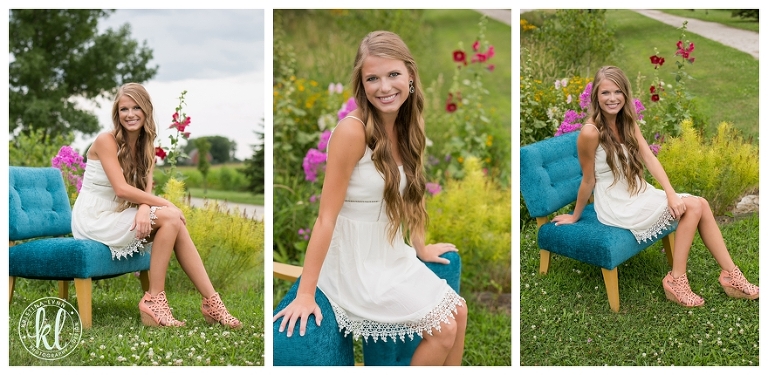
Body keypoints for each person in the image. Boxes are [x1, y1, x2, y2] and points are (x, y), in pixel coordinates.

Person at [273, 31, 468, 365]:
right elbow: (325, 218)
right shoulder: (352, 132)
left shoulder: (409, 123)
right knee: (444, 330)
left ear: (410, 75)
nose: (384, 87)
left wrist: (420, 247)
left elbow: (409, 196)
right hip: (355, 263)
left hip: (390, 253)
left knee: (459, 312)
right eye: (372, 78)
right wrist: (306, 293)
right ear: (361, 85)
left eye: (393, 74)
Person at [552, 65, 759, 307]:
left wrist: (671, 194)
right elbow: (588, 180)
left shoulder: (626, 121)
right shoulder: (590, 132)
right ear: (596, 96)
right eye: (605, 93)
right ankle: (678, 279)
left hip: (638, 192)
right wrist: (576, 215)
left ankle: (729, 274)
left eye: (618, 92)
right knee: (694, 206)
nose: (612, 98)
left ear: (625, 95)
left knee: (698, 204)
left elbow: (649, 157)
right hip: (616, 203)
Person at [71, 83, 241, 328]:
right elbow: (121, 189)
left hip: (122, 211)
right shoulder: (106, 140)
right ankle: (155, 300)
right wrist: (164, 203)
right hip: (95, 217)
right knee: (171, 216)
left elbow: (143, 191)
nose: (130, 114)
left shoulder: (146, 144)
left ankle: (211, 302)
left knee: (173, 222)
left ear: (146, 111)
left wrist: (144, 209)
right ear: (117, 114)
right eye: (124, 109)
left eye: (136, 107)